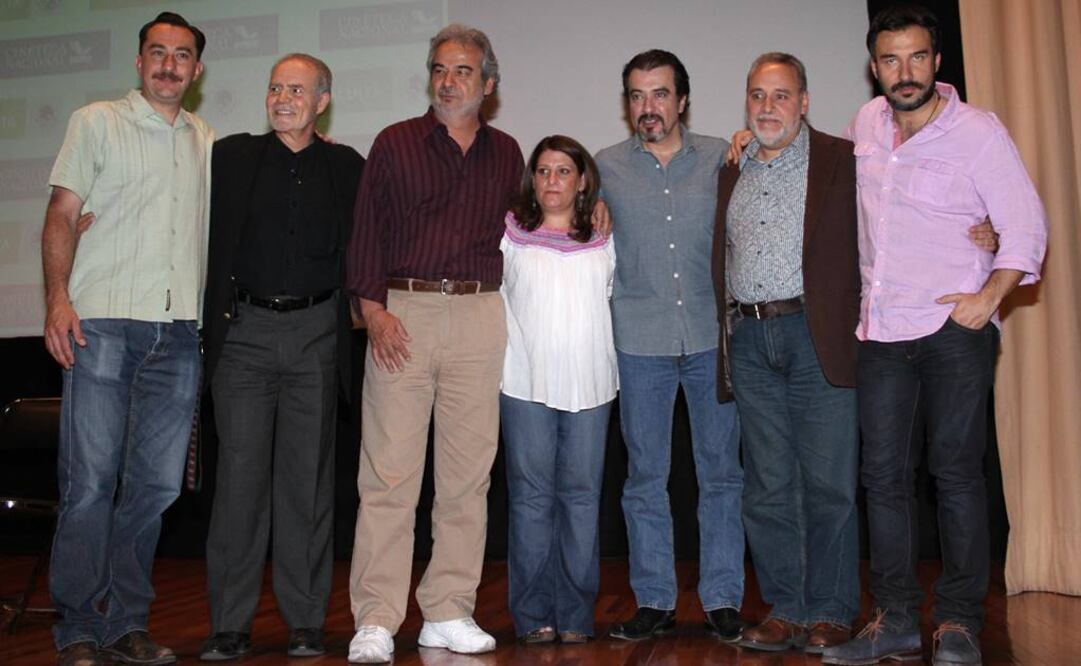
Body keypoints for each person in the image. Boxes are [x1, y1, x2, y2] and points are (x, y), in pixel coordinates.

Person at [823, 5, 1048, 666]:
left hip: (953, 330)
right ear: (874, 68)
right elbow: (826, 184)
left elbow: (1025, 227)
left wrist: (988, 296)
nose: (904, 71)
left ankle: (956, 623)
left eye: (916, 56)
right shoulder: (863, 125)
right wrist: (753, 141)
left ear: (936, 61)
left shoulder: (977, 132)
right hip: (881, 332)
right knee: (882, 478)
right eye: (890, 59)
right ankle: (892, 619)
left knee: (954, 475)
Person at [343, 24, 524, 663]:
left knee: (467, 478)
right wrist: (373, 310)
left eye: (464, 71)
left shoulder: (508, 153)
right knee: (389, 475)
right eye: (440, 70)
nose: (450, 82)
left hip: (480, 315)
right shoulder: (395, 142)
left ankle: (448, 609)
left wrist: (597, 211)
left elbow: (534, 227)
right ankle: (376, 617)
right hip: (404, 312)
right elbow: (366, 229)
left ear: (489, 84)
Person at [41, 12, 212, 666]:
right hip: (103, 323)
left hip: (178, 334)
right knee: (89, 484)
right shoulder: (96, 122)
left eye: (182, 55)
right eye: (157, 53)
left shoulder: (206, 140)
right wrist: (58, 298)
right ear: (139, 62)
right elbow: (61, 214)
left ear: (197, 71)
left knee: (155, 489)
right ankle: (78, 628)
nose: (169, 64)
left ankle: (127, 626)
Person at [198, 54, 364, 661]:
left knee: (308, 486)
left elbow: (376, 235)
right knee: (239, 484)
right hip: (243, 334)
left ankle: (304, 620)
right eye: (275, 87)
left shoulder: (347, 166)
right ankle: (229, 625)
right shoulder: (230, 157)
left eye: (297, 89)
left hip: (319, 332)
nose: (283, 97)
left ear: (323, 101)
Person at [712, 52, 862, 654]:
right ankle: (787, 607)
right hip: (749, 340)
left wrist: (978, 230)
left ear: (804, 101)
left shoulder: (843, 161)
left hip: (815, 333)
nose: (767, 106)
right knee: (768, 485)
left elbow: (901, 212)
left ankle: (830, 608)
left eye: (780, 95)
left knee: (829, 483)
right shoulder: (733, 165)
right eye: (757, 95)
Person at [595, 49, 745, 643]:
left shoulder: (722, 157)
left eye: (659, 94)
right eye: (636, 95)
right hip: (639, 341)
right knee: (644, 477)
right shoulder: (604, 166)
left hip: (712, 338)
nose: (647, 107)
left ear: (682, 100)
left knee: (721, 475)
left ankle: (723, 598)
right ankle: (654, 598)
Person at [500, 135, 617, 645]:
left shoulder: (606, 234)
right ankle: (531, 616)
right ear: (533, 179)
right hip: (524, 383)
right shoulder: (509, 233)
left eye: (563, 171)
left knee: (582, 500)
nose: (552, 180)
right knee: (530, 500)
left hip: (591, 386)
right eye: (544, 170)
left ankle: (574, 614)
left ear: (582, 179)